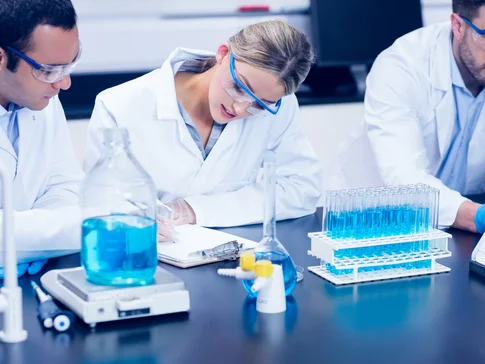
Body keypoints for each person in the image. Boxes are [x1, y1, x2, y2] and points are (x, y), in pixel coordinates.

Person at [85, 20, 322, 240]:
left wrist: (195, 210)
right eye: (240, 87)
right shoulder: (119, 105)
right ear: (223, 54)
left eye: (259, 104)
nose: (240, 108)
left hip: (230, 256)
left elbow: (301, 188)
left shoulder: (277, 107)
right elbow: (102, 201)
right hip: (143, 255)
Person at [330, 0, 485, 233]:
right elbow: (404, 179)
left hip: (458, 224)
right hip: (372, 220)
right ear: (458, 26)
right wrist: (477, 216)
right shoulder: (401, 67)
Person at [0, 0, 84, 278]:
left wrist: (32, 244)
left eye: (69, 66)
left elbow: (64, 188)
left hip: (30, 282)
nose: (64, 83)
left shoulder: (42, 99)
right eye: (49, 69)